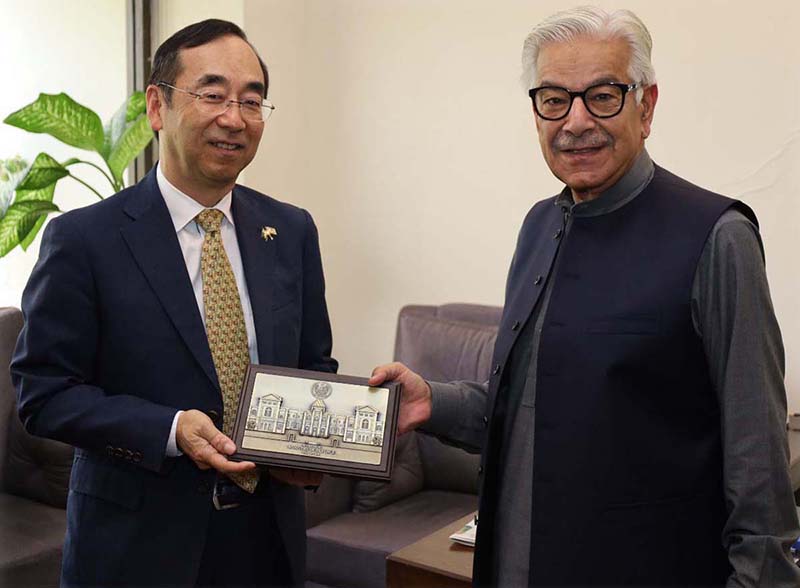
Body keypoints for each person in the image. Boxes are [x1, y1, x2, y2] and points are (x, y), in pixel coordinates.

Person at [370, 7, 800, 587]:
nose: (575, 121)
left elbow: (759, 464)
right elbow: (527, 410)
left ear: (645, 106)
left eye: (602, 95)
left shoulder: (717, 236)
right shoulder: (537, 226)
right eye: (553, 98)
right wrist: (433, 402)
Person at [11, 19, 337, 587]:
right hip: (137, 550)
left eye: (252, 101)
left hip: (267, 543)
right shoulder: (84, 240)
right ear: (157, 107)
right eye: (212, 95)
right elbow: (44, 394)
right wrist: (169, 428)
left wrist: (318, 448)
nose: (234, 118)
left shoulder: (291, 231)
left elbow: (313, 369)